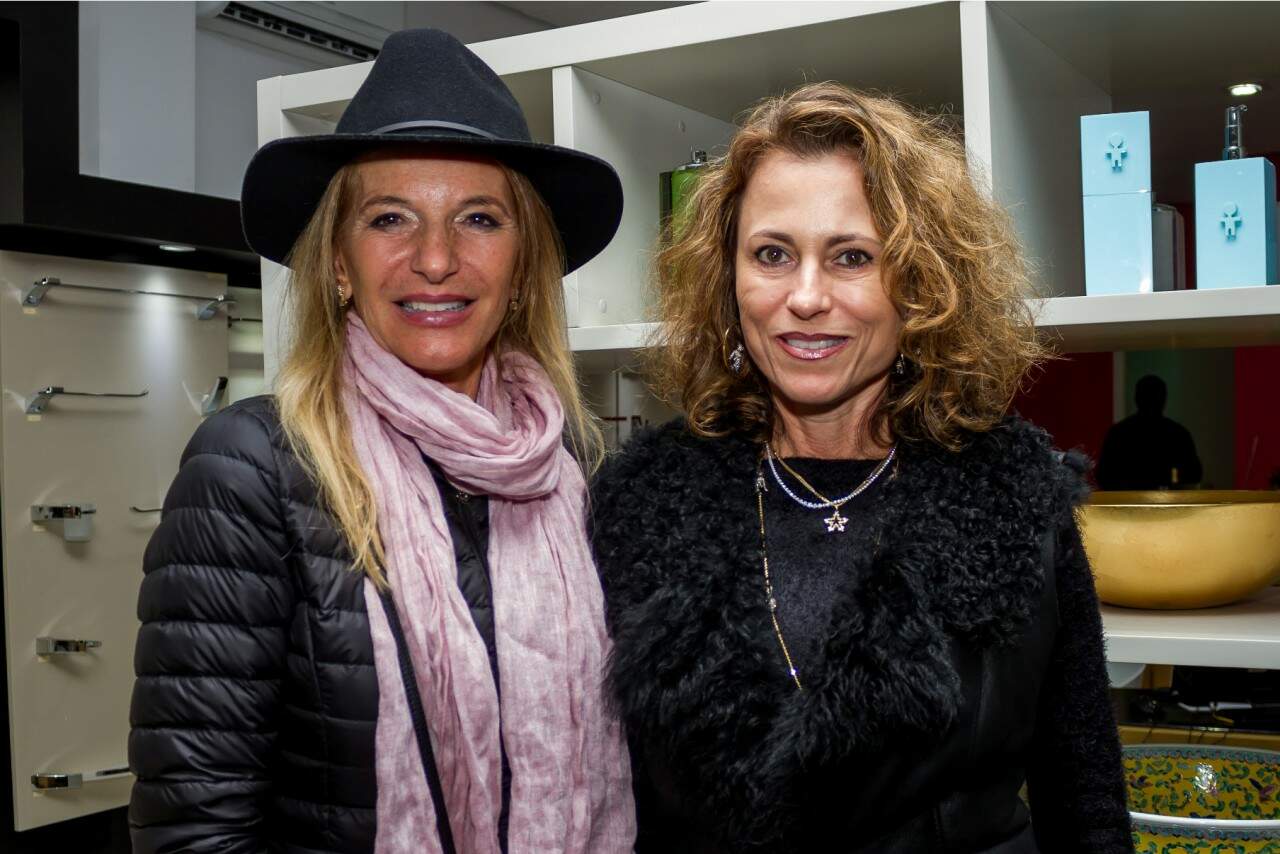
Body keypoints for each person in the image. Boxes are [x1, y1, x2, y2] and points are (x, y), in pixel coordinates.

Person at [129, 29, 635, 854]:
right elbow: (196, 830)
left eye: (478, 218)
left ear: (522, 267)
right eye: (390, 218)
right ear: (337, 263)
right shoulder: (252, 467)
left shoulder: (578, 460)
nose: (434, 258)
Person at [591, 83, 1133, 853]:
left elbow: (1083, 795)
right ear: (727, 279)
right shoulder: (640, 501)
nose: (805, 298)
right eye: (772, 254)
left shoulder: (1015, 496)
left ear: (920, 285)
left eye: (852, 257)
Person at [1096, 374, 1202, 490]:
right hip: (1167, 503)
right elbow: (1193, 475)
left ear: (1136, 398)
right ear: (1164, 399)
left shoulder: (1118, 433)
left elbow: (1104, 476)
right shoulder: (1178, 434)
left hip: (1128, 503)